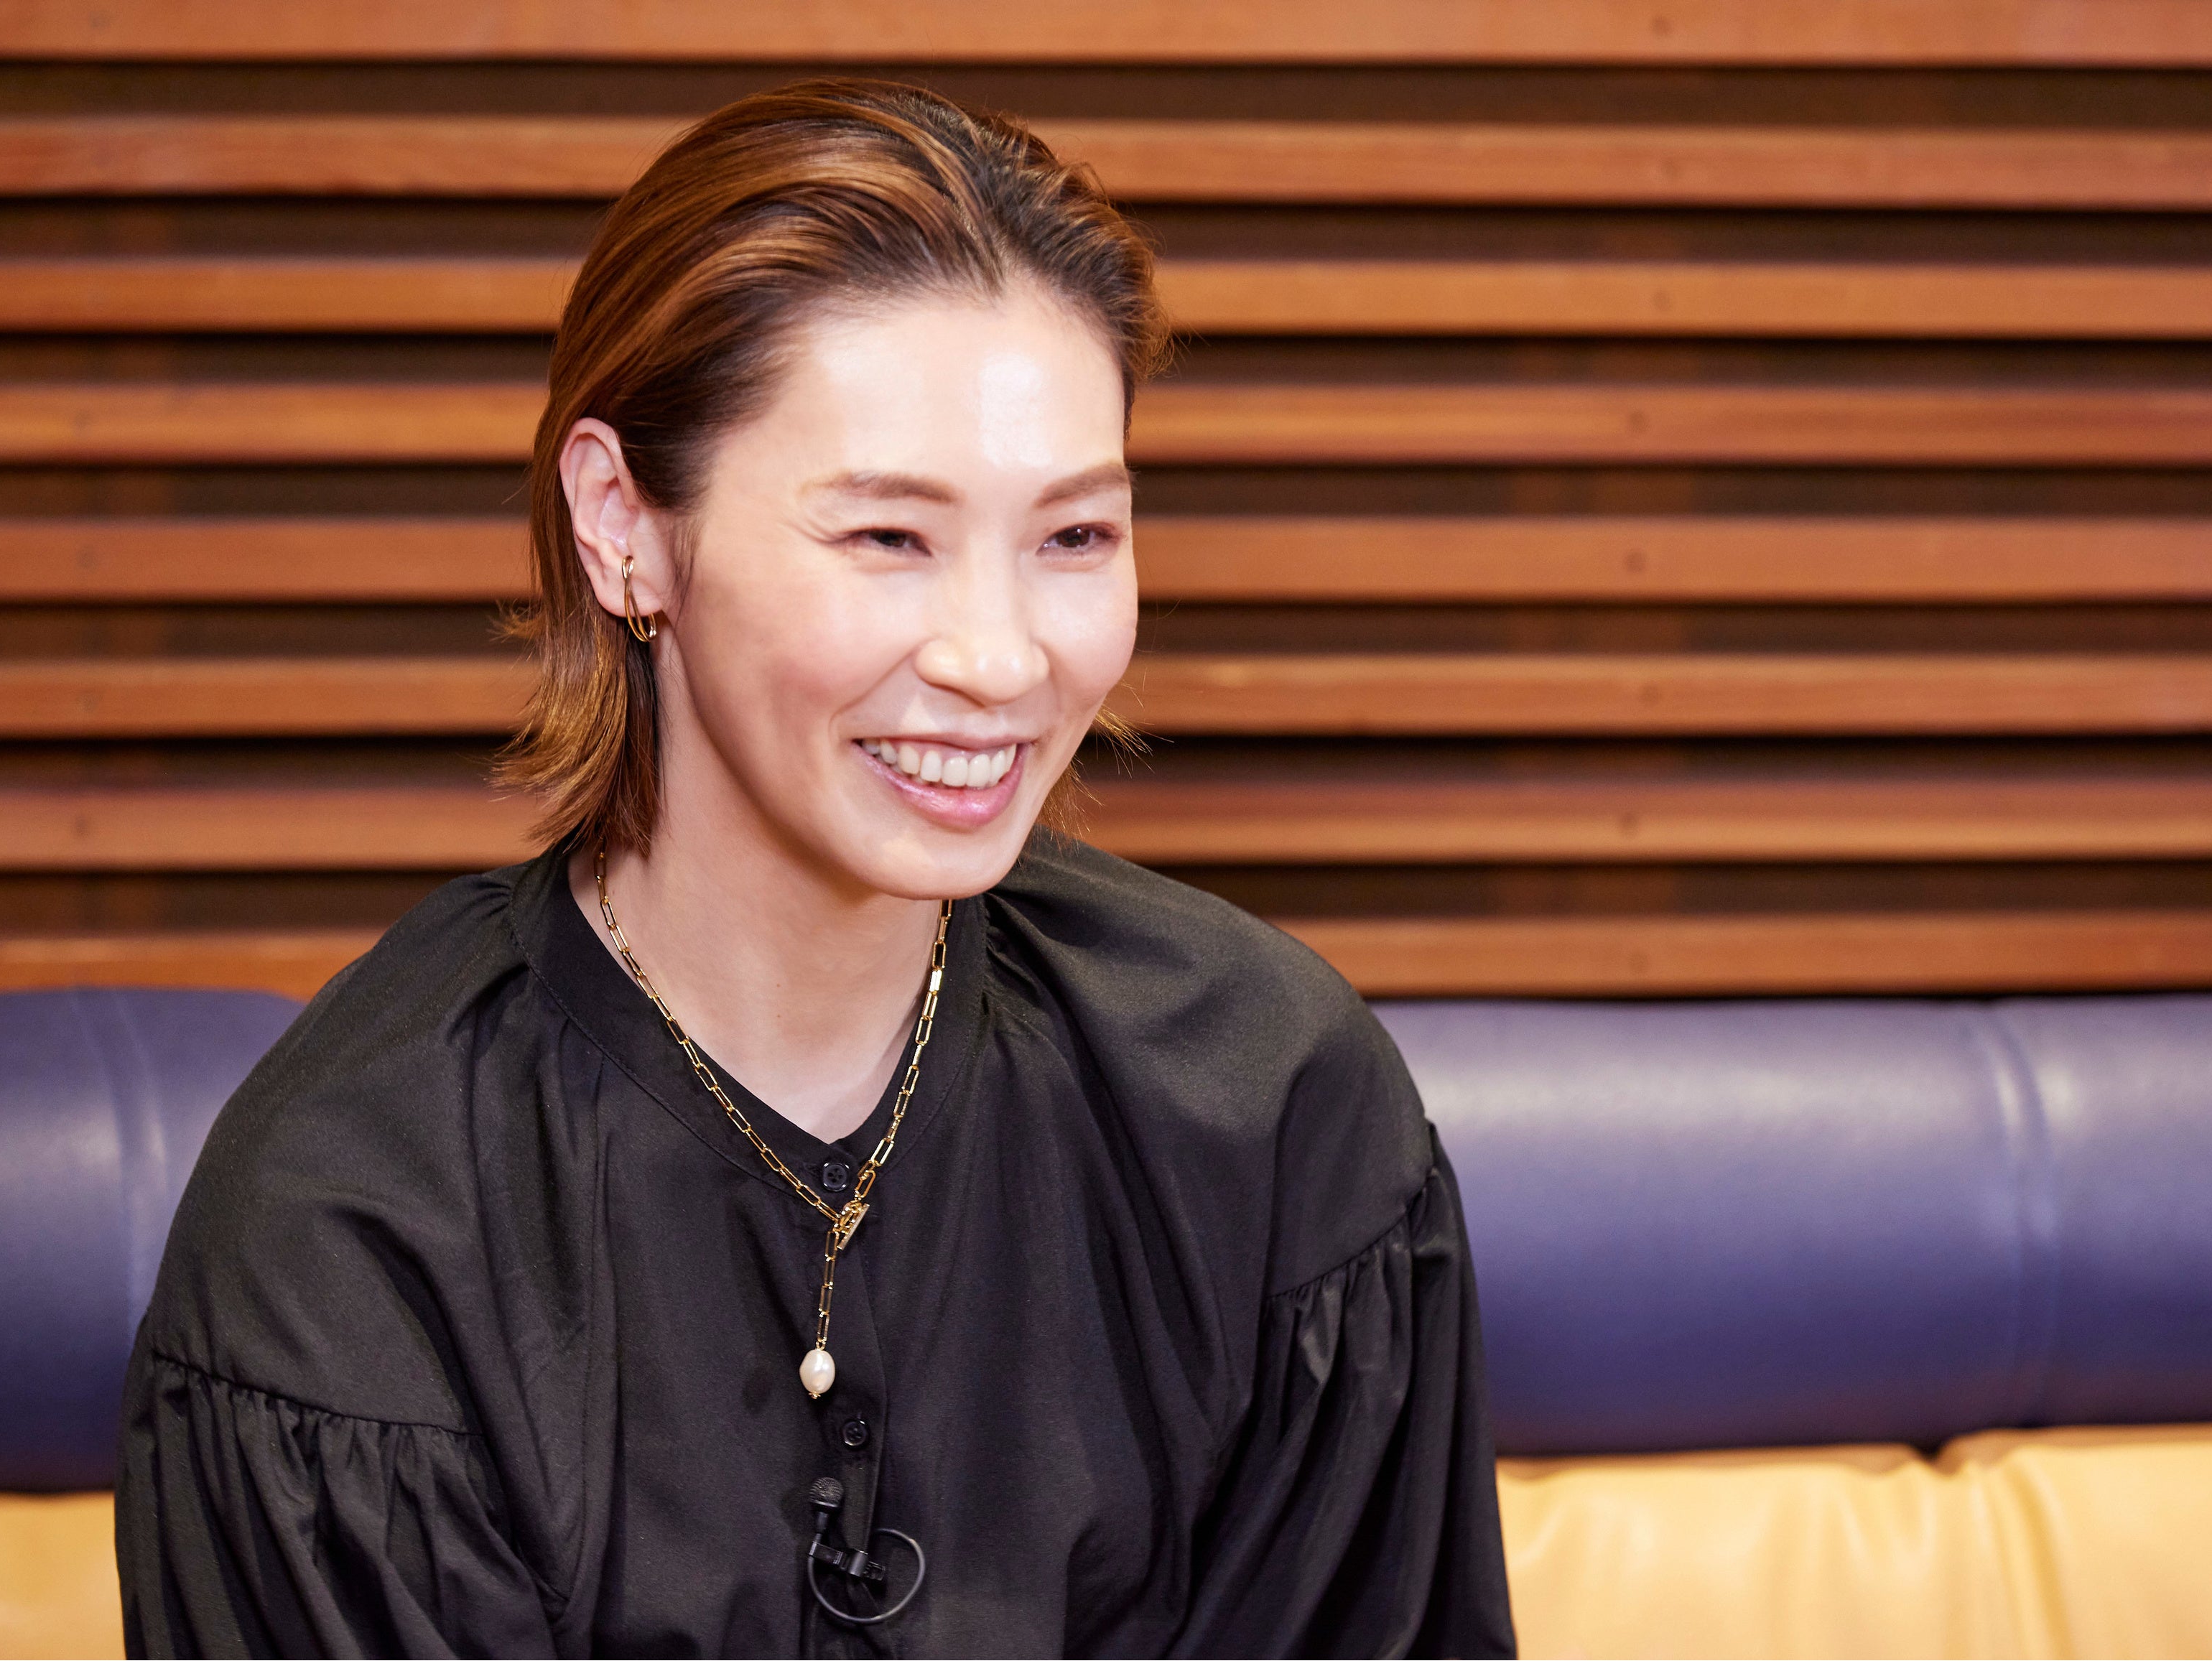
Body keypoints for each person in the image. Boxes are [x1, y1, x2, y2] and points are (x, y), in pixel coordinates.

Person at [116, 79, 1512, 1660]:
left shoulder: (1270, 1110)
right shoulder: (351, 1229)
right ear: (625, 524)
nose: (1002, 658)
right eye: (887, 538)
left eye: (1073, 538)